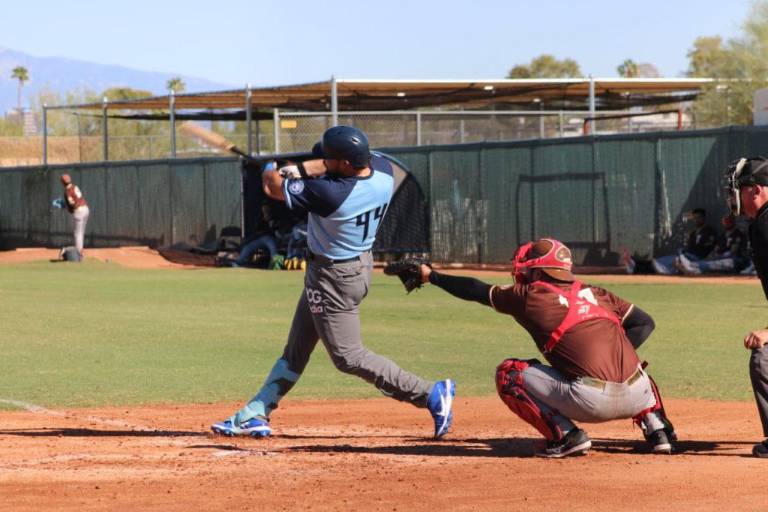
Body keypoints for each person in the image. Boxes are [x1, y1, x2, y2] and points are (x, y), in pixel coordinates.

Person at [212, 126, 455, 438]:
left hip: (333, 278)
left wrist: (272, 169)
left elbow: (273, 187)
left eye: (329, 157)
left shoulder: (330, 194)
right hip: (351, 267)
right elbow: (328, 166)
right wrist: (296, 168)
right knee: (296, 350)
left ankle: (430, 394)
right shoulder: (381, 168)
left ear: (343, 163)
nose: (322, 160)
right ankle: (257, 411)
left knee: (348, 356)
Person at [404, 238, 675, 458]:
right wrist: (616, 354)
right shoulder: (598, 293)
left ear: (539, 270)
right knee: (637, 370)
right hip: (639, 396)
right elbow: (644, 323)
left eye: (527, 269)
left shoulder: (531, 295)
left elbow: (476, 289)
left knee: (508, 374)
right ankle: (658, 430)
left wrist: (431, 276)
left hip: (590, 402)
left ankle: (567, 437)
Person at [723, 156, 768, 458]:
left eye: (738, 189)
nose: (733, 197)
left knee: (763, 359)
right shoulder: (760, 223)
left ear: (755, 190)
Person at [651, 208, 717, 274]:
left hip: (699, 258)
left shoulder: (709, 231)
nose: (696, 220)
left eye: (699, 217)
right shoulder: (693, 233)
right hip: (689, 255)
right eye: (695, 218)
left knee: (676, 259)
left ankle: (685, 269)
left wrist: (688, 255)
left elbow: (707, 248)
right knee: (673, 258)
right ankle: (675, 270)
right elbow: (690, 246)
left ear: (704, 218)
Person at [676, 214, 749, 275]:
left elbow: (733, 252)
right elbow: (716, 249)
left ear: (733, 222)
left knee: (716, 263)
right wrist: (710, 256)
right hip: (721, 259)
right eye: (725, 221)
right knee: (709, 262)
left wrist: (718, 256)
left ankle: (692, 268)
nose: (726, 223)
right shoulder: (722, 235)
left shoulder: (738, 234)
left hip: (735, 260)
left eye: (729, 221)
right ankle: (693, 268)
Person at [51, 173, 89, 259]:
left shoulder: (67, 192)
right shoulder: (75, 186)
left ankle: (79, 255)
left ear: (62, 183)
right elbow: (76, 199)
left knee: (77, 234)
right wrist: (67, 205)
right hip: (86, 209)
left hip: (79, 211)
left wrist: (65, 206)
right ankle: (81, 251)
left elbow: (72, 204)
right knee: (81, 232)